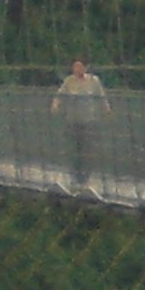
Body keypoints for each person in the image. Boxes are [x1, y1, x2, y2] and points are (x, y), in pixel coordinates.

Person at [53, 54, 109, 192]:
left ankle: (85, 179)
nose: (76, 69)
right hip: (72, 121)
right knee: (73, 149)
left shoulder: (94, 81)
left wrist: (106, 108)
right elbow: (59, 95)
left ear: (85, 67)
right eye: (74, 66)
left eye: (79, 66)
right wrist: (55, 104)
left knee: (87, 150)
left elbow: (101, 96)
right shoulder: (69, 81)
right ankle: (75, 178)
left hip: (88, 121)